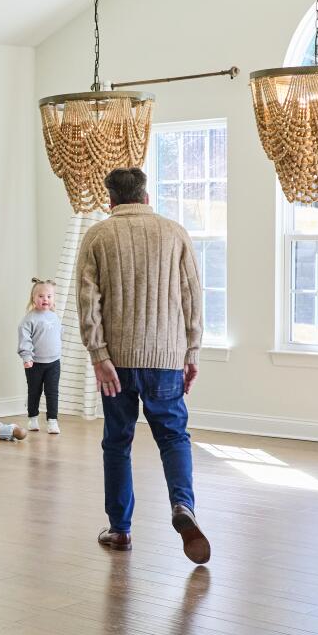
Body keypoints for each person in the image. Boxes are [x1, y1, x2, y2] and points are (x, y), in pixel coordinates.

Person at [75, 166, 210, 564]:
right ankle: (183, 506)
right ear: (146, 196)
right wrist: (192, 352)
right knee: (173, 437)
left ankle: (120, 530)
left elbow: (87, 302)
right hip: (165, 359)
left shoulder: (98, 235)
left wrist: (98, 355)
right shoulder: (174, 232)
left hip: (116, 363)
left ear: (110, 200)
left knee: (117, 442)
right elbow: (193, 296)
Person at [18, 278, 63, 435]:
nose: (45, 299)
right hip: (34, 363)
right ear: (33, 298)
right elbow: (25, 339)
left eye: (49, 296)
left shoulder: (55, 317)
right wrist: (26, 357)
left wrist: (58, 352)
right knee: (34, 391)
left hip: (54, 362)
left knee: (52, 391)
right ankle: (33, 418)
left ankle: (52, 421)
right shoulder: (29, 319)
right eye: (41, 296)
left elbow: (58, 336)